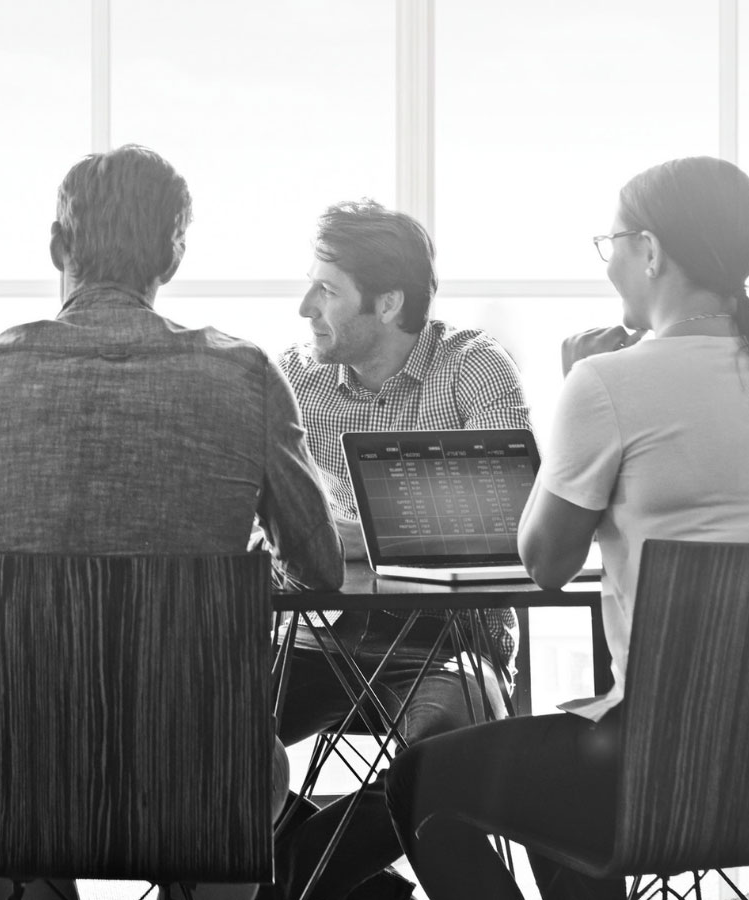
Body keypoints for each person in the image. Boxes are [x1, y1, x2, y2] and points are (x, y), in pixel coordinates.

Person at [385, 156, 749, 900]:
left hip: (662, 773)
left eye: (613, 244)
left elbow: (546, 563)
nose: (610, 265)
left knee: (421, 783)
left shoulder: (607, 383)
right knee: (563, 787)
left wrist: (575, 393)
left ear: (652, 250)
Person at [0, 144, 344, 900]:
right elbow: (324, 567)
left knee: (9, 754)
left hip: (7, 784)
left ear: (58, 246)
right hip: (200, 782)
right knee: (244, 766)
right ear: (174, 256)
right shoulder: (249, 376)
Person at [268, 199, 531, 900]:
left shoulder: (474, 370)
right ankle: (351, 884)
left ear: (387, 304)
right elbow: (257, 528)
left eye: (326, 289)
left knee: (444, 762)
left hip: (447, 642)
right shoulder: (294, 378)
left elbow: (507, 530)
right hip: (313, 641)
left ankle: (307, 867)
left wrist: (344, 538)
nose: (304, 306)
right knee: (198, 743)